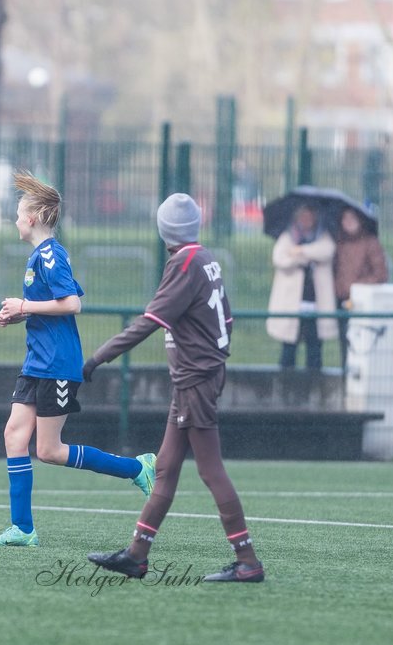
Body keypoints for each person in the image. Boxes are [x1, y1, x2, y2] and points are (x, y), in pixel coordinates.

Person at [84, 194, 264, 583]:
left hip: (194, 381)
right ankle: (136, 554)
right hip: (195, 378)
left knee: (211, 470)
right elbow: (226, 319)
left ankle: (247, 560)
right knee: (164, 468)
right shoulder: (206, 259)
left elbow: (149, 321)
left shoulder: (183, 262)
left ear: (164, 230)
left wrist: (97, 358)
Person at [0, 172, 155, 548]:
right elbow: (58, 302)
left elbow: (72, 303)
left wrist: (25, 305)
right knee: (13, 434)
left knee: (49, 451)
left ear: (31, 218)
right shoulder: (39, 256)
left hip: (58, 364)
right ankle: (22, 528)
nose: (14, 220)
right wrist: (20, 314)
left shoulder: (51, 255)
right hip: (36, 362)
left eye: (17, 214)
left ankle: (137, 467)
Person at [266, 204, 336, 371]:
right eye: (303, 216)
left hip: (315, 303)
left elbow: (326, 251)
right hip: (292, 303)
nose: (306, 220)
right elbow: (280, 258)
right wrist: (302, 259)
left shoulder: (323, 235)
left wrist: (300, 250)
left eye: (310, 217)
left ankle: (314, 386)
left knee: (314, 348)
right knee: (289, 348)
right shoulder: (288, 236)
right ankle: (286, 385)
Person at [333, 207, 388, 367]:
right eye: (345, 219)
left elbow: (380, 274)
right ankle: (346, 377)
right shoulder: (339, 242)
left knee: (361, 342)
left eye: (352, 218)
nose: (348, 222)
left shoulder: (370, 243)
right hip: (341, 298)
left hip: (361, 300)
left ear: (360, 221)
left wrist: (357, 286)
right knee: (344, 342)